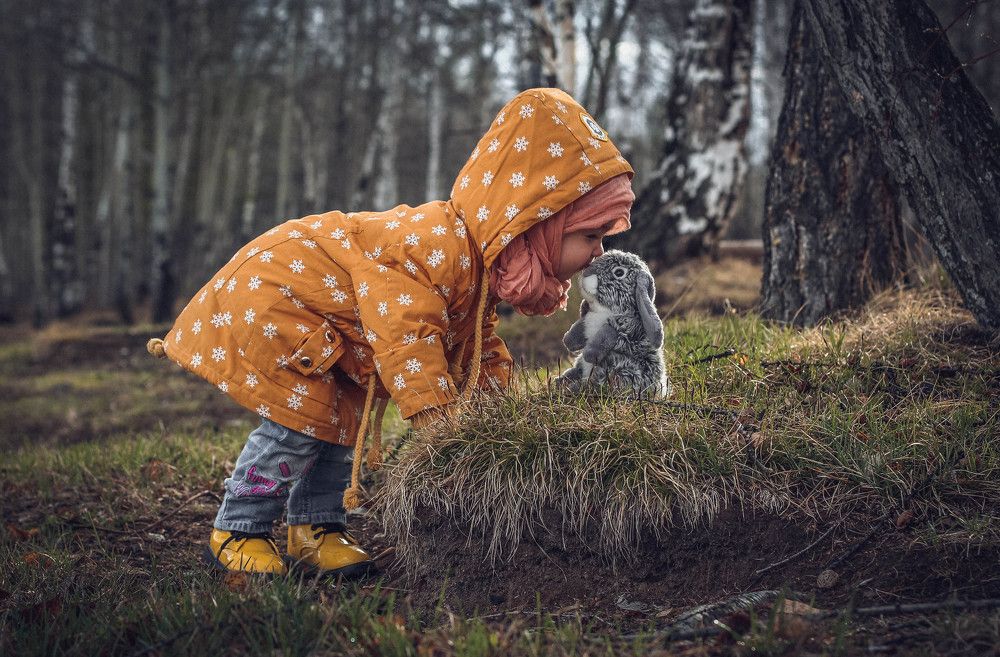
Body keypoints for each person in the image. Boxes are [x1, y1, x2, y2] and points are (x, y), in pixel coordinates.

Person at [147, 88, 635, 577]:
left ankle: (315, 527)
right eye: (590, 237)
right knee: (299, 425)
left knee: (341, 420)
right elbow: (407, 337)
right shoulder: (435, 244)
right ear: (537, 225)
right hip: (279, 299)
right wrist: (440, 422)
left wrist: (497, 420)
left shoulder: (480, 268)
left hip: (323, 324)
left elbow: (476, 349)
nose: (597, 253)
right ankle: (238, 529)